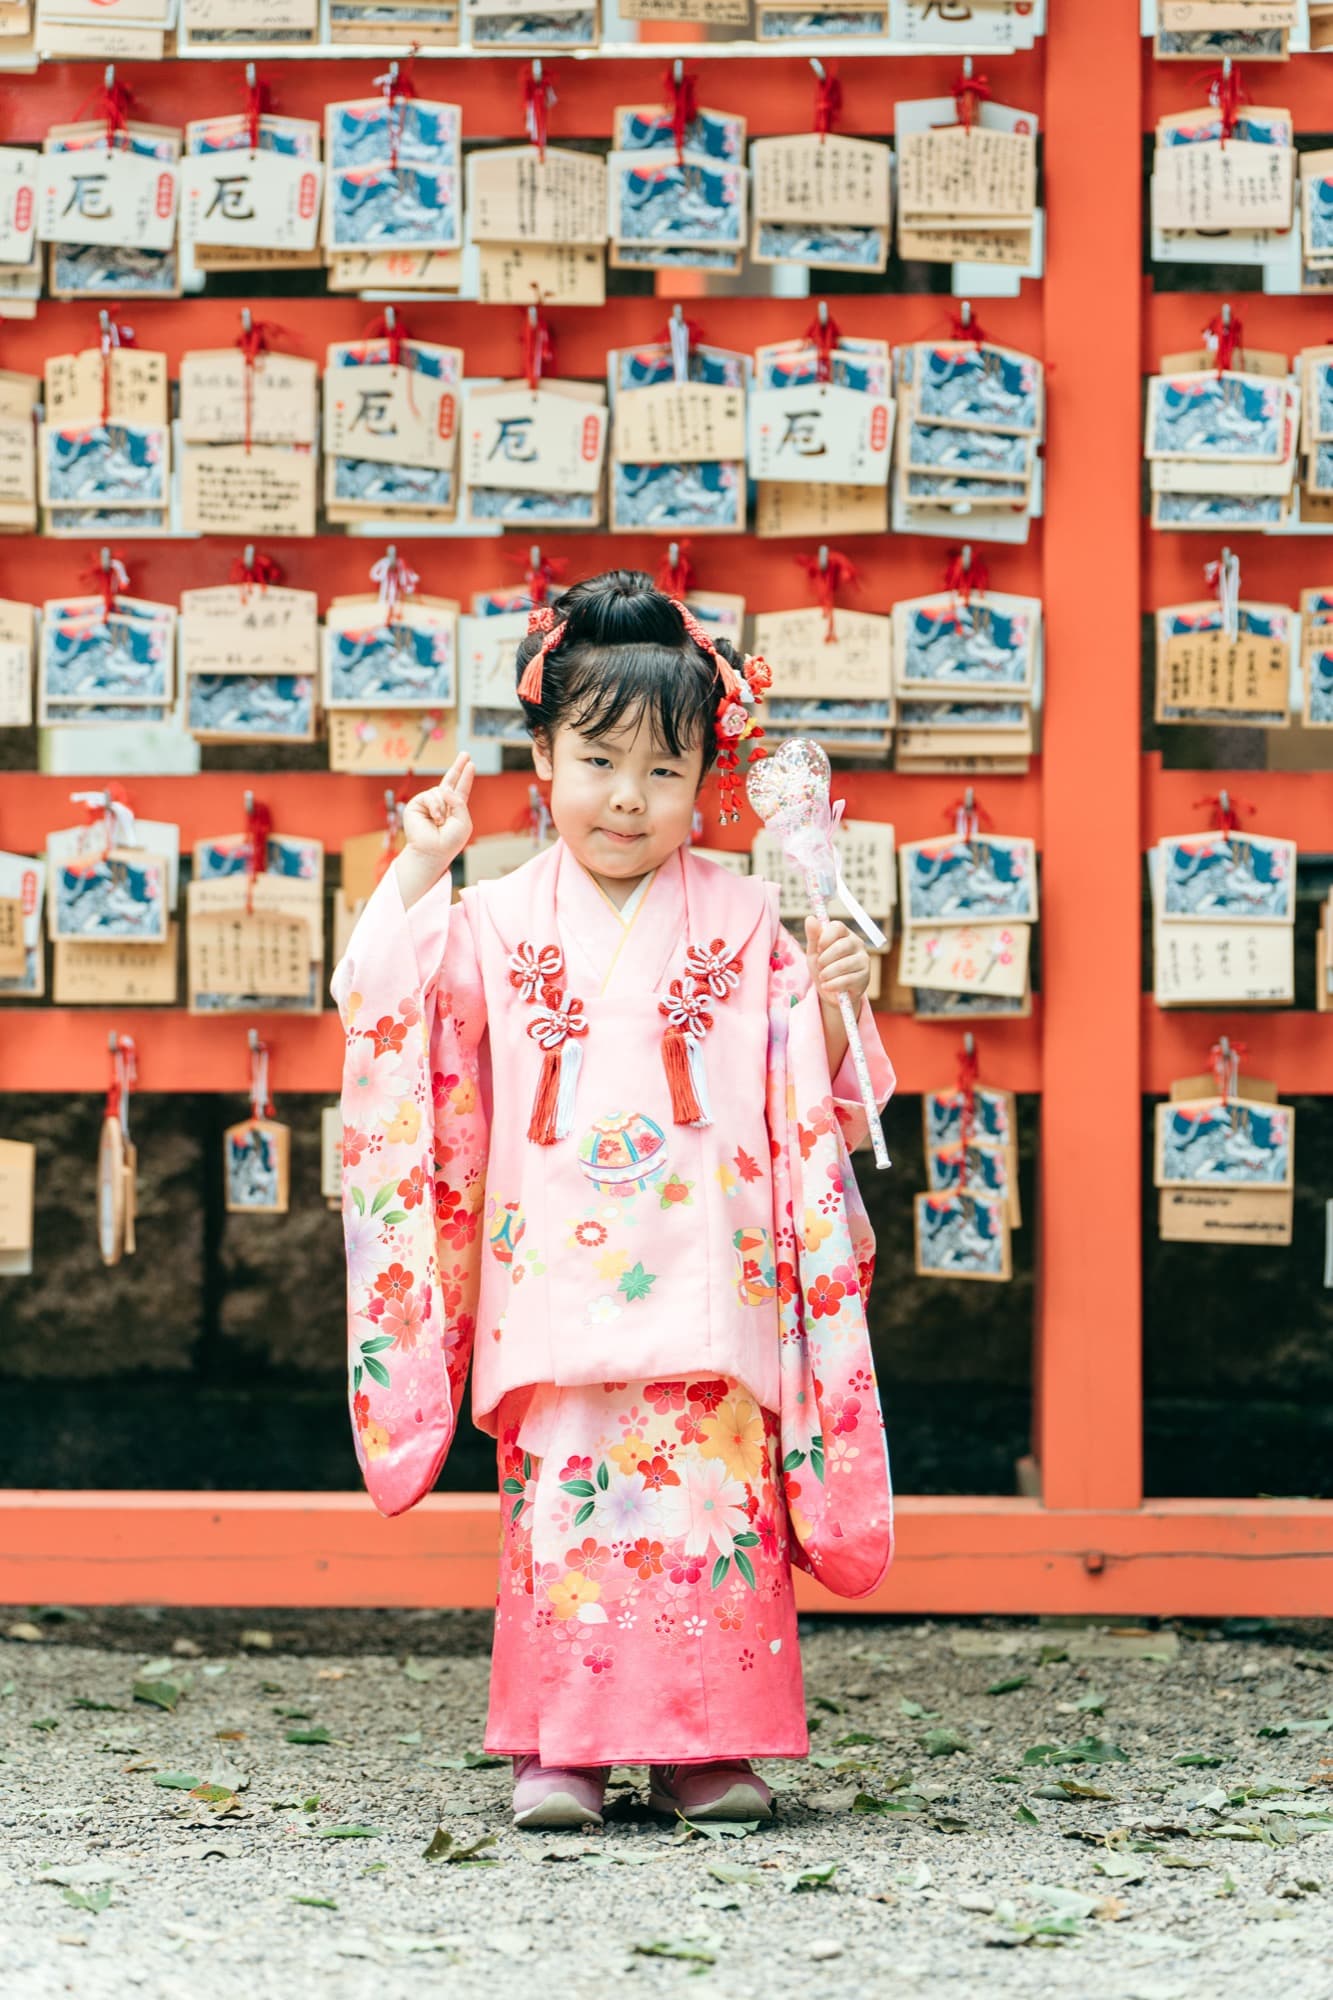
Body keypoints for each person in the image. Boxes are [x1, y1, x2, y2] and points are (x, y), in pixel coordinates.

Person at [331, 570, 896, 1834]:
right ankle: (565, 1750)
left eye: (661, 768)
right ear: (540, 758)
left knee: (712, 1509)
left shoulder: (748, 916)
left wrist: (841, 996)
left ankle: (711, 1746)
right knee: (576, 1500)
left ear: (709, 780)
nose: (627, 797)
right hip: (558, 1277)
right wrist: (421, 865)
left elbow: (812, 1092)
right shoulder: (489, 915)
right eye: (596, 760)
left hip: (713, 1269)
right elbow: (382, 1007)